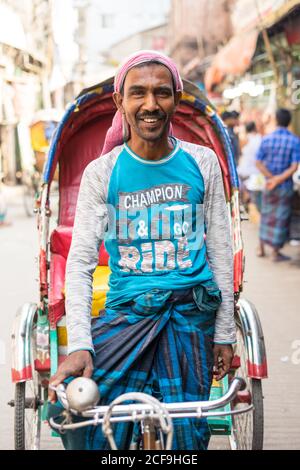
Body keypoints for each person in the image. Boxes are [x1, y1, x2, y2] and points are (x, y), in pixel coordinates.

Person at [47, 51, 235, 450]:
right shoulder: (102, 173)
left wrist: (225, 333)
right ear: (120, 102)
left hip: (190, 315)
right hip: (126, 314)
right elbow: (80, 263)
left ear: (176, 100)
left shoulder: (202, 162)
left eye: (162, 93)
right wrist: (80, 345)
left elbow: (220, 252)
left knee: (186, 436)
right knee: (77, 414)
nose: (150, 105)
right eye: (138, 94)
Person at [256, 108, 300, 261]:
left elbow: (258, 163)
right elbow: (294, 167)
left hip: (269, 184)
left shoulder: (266, 139)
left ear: (276, 120)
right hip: (284, 186)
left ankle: (260, 248)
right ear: (289, 121)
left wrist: (272, 178)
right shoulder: (295, 140)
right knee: (280, 217)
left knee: (266, 214)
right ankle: (275, 252)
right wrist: (279, 179)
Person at [238, 122, 263, 212]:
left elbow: (241, 153)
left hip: (245, 169)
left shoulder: (244, 139)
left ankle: (247, 200)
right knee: (257, 194)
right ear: (255, 128)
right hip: (257, 171)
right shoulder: (260, 138)